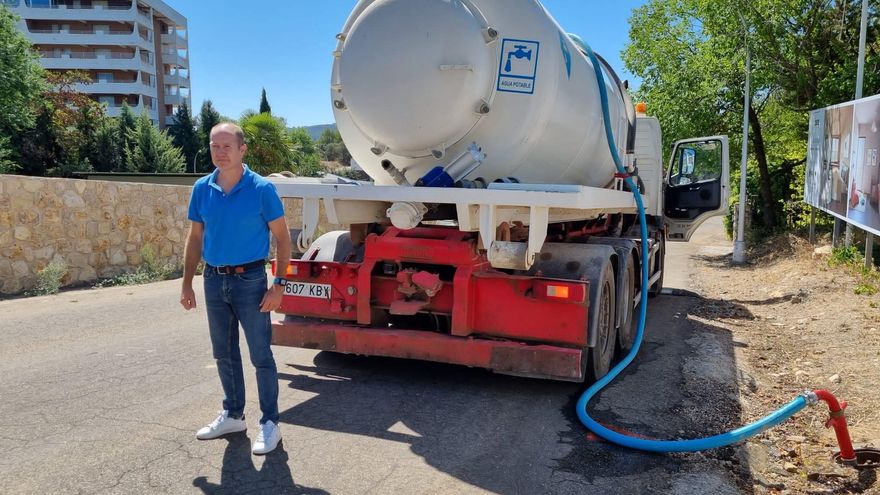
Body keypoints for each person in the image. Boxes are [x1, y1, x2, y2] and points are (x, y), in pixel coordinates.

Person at [180, 122, 291, 455]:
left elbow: (283, 239)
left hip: (251, 281)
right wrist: (187, 282)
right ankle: (233, 414)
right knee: (223, 353)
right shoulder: (202, 188)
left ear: (243, 149)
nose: (220, 152)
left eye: (227, 146)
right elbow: (195, 237)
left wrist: (279, 284)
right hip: (214, 279)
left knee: (261, 356)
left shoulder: (262, 189)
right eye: (215, 146)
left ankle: (270, 423)